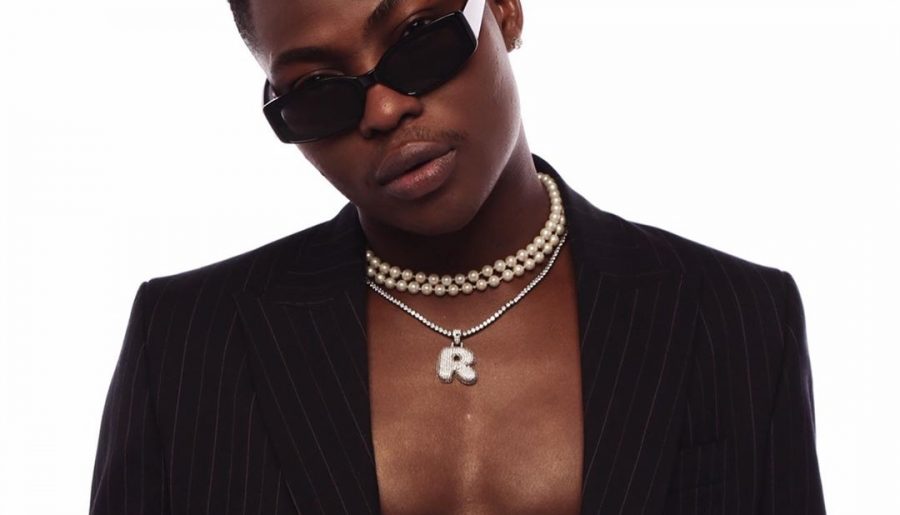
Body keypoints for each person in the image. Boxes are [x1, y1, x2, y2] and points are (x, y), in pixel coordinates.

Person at [89, 0, 827, 513]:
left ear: (504, 10)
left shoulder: (736, 317)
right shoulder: (186, 339)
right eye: (316, 91)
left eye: (419, 39)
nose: (383, 110)